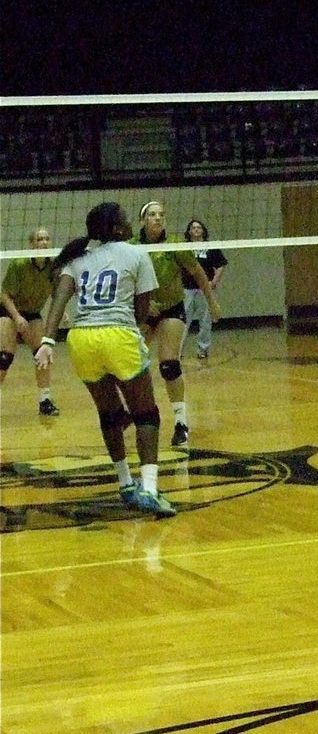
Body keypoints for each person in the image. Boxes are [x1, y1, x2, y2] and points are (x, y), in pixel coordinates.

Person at [33, 202, 175, 516]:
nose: (128, 223)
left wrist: (46, 340)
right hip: (117, 335)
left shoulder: (78, 257)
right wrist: (129, 330)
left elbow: (59, 298)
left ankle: (125, 483)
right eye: (125, 219)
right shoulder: (137, 254)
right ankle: (149, 489)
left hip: (80, 340)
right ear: (115, 228)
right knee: (146, 414)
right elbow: (141, 311)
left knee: (109, 414)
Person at [137, 200, 221, 447]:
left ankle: (181, 423)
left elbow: (197, 273)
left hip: (172, 308)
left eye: (161, 214)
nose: (158, 218)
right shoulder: (131, 247)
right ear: (143, 219)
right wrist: (140, 303)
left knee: (169, 364)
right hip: (142, 311)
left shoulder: (175, 244)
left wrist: (212, 302)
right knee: (130, 364)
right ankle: (137, 414)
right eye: (152, 214)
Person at [0, 227, 61, 416]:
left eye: (47, 239)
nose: (44, 242)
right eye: (39, 239)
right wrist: (17, 317)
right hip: (9, 311)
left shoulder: (54, 266)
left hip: (33, 313)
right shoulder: (20, 264)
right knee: (4, 359)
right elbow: (4, 295)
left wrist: (62, 311)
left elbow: (57, 291)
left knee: (42, 355)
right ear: (32, 244)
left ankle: (45, 400)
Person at [180, 218, 227, 360]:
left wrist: (214, 281)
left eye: (198, 227)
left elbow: (221, 264)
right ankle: (178, 351)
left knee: (205, 321)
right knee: (182, 322)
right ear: (189, 231)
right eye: (193, 227)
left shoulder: (210, 247)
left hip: (204, 290)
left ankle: (203, 349)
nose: (196, 230)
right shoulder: (183, 247)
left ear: (203, 230)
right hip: (186, 289)